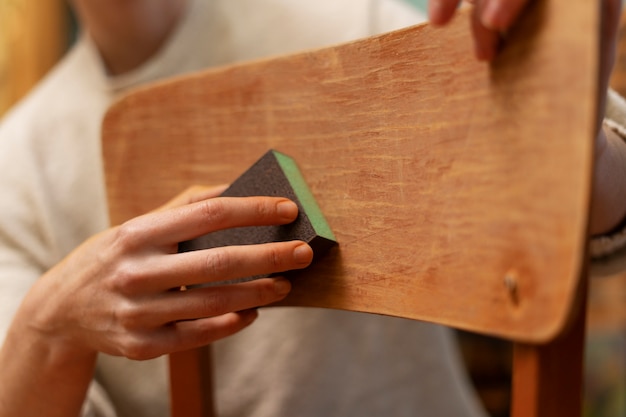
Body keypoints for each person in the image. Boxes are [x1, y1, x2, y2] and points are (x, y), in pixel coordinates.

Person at [0, 0, 623, 416]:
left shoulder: (355, 17)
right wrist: (46, 327)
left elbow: (609, 223)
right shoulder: (18, 165)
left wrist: (566, 122)